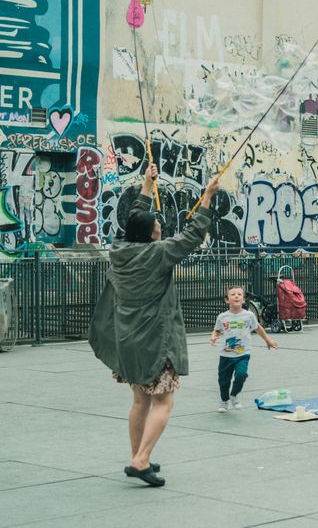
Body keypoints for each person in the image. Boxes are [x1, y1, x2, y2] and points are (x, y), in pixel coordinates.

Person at [89, 164, 220, 487]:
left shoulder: (120, 250)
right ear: (151, 234)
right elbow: (192, 236)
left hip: (128, 338)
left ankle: (139, 456)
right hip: (154, 339)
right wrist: (207, 195)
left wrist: (147, 184)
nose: (160, 225)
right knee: (163, 400)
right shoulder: (157, 254)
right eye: (157, 224)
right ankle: (141, 458)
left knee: (139, 400)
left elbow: (134, 216)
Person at [210, 285, 278, 413]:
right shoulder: (222, 317)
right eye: (233, 294)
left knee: (241, 374)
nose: (236, 296)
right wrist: (213, 337)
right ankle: (224, 401)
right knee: (223, 381)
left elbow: (258, 328)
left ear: (243, 300)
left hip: (243, 354)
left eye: (239, 294)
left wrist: (268, 340)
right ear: (227, 299)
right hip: (225, 355)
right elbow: (217, 330)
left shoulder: (249, 316)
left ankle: (234, 395)